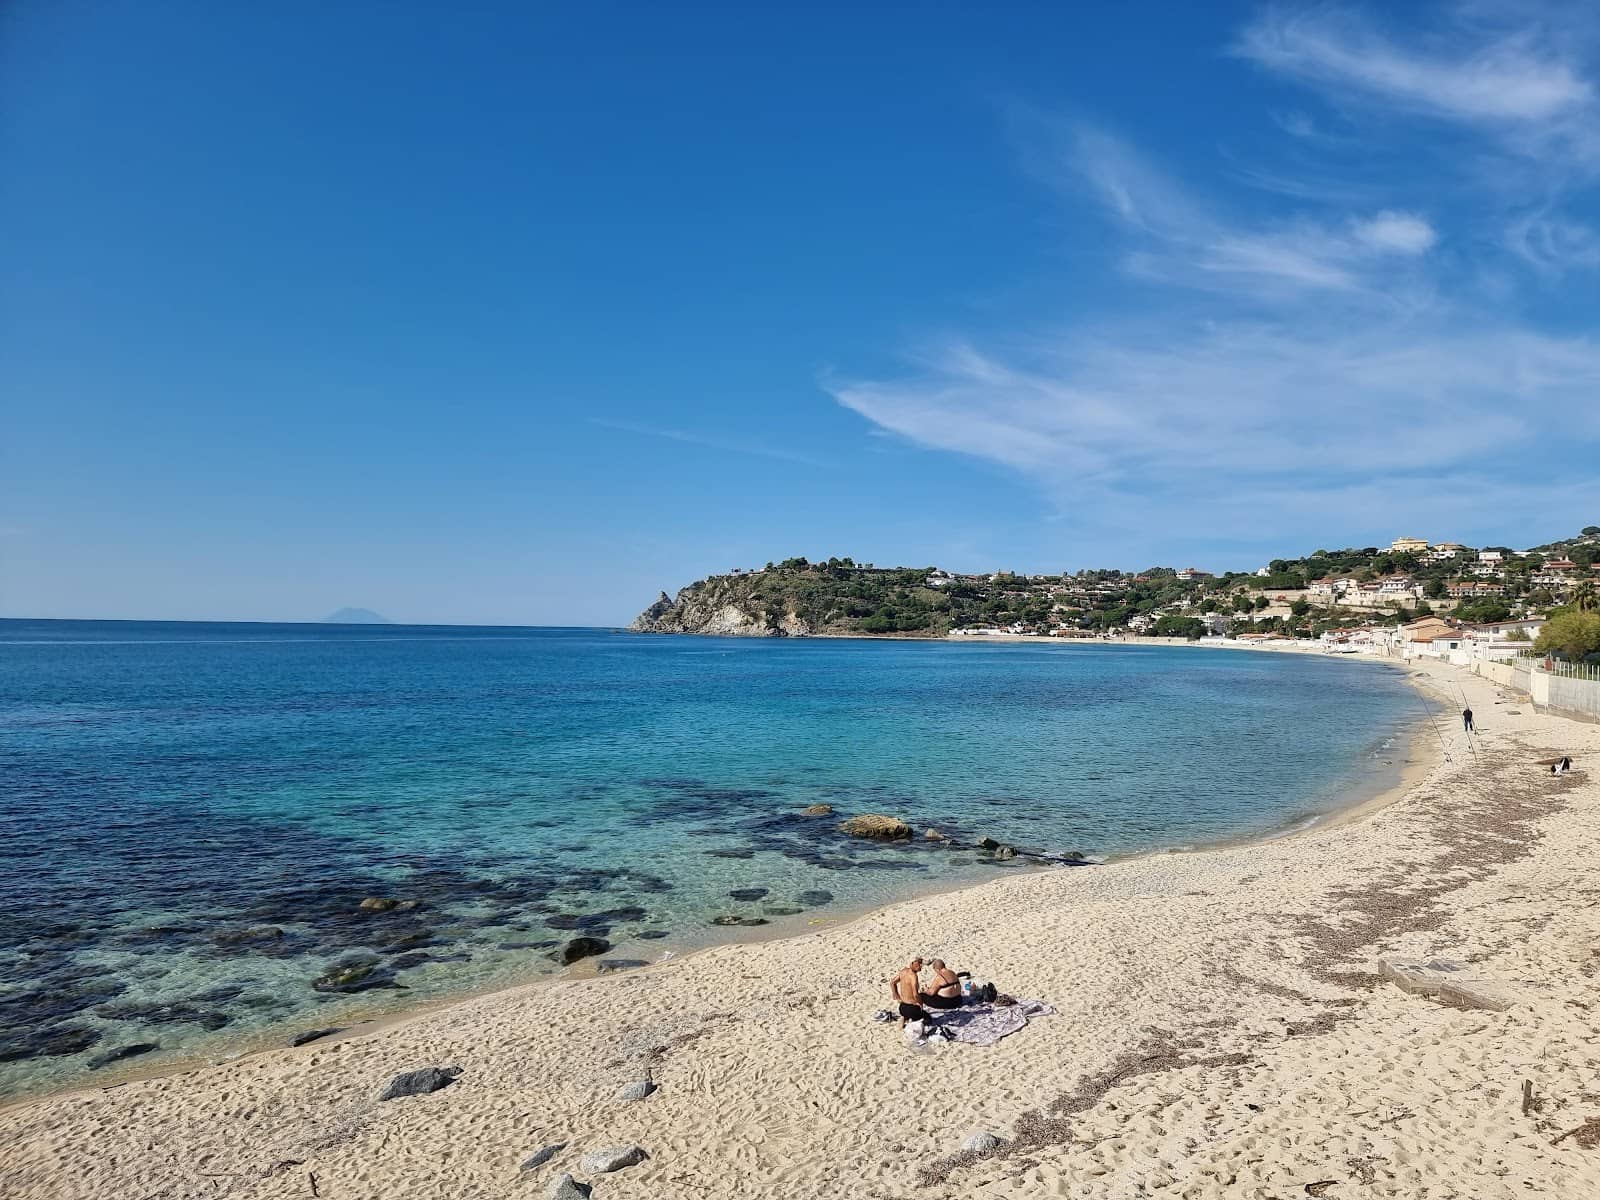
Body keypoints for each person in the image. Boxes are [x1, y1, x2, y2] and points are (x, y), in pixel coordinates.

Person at [891, 958, 928, 1026]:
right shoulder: (913, 976)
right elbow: (915, 994)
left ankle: (905, 1018)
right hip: (912, 1009)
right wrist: (920, 1004)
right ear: (912, 963)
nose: (921, 966)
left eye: (921, 964)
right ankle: (911, 1020)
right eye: (919, 963)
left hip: (902, 1007)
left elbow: (892, 982)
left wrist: (896, 996)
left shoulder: (903, 971)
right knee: (928, 1018)